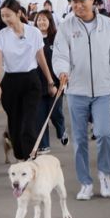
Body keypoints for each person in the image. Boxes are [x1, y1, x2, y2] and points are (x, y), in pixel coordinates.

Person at [53, 0, 110, 201]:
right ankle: (85, 182)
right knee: (80, 140)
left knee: (104, 133)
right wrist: (62, 71)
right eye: (74, 2)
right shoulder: (66, 26)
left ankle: (104, 175)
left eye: (82, 0)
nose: (78, 5)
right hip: (76, 90)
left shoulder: (108, 25)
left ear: (92, 0)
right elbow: (59, 55)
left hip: (103, 90)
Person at [0, 0, 57, 161]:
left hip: (31, 81)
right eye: (2, 16)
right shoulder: (2, 35)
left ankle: (30, 157)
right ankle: (21, 157)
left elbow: (40, 57)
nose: (5, 19)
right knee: (14, 123)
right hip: (10, 82)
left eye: (8, 15)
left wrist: (50, 81)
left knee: (29, 121)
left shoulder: (33, 32)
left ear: (19, 13)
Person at [34, 10, 68, 154]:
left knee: (55, 113)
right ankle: (44, 145)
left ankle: (62, 131)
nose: (42, 22)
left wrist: (60, 81)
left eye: (45, 19)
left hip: (55, 83)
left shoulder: (56, 38)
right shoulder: (32, 39)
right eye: (39, 20)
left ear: (50, 22)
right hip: (37, 84)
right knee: (40, 116)